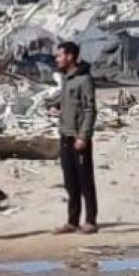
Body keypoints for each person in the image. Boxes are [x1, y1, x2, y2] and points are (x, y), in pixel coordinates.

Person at [54, 40, 100, 234]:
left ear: (70, 56)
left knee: (85, 180)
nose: (57, 59)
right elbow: (70, 104)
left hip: (79, 138)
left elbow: (90, 110)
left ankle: (90, 220)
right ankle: (72, 221)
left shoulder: (84, 80)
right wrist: (58, 110)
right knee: (70, 181)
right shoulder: (66, 78)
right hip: (65, 135)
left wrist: (84, 135)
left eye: (60, 55)